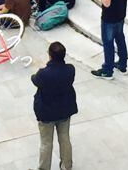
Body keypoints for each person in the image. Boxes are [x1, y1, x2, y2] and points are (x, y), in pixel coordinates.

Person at [32, 41, 77, 170]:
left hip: (46, 112)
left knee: (46, 143)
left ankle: (44, 168)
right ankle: (66, 165)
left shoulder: (43, 74)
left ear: (50, 55)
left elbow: (34, 79)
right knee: (65, 139)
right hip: (64, 110)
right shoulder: (70, 69)